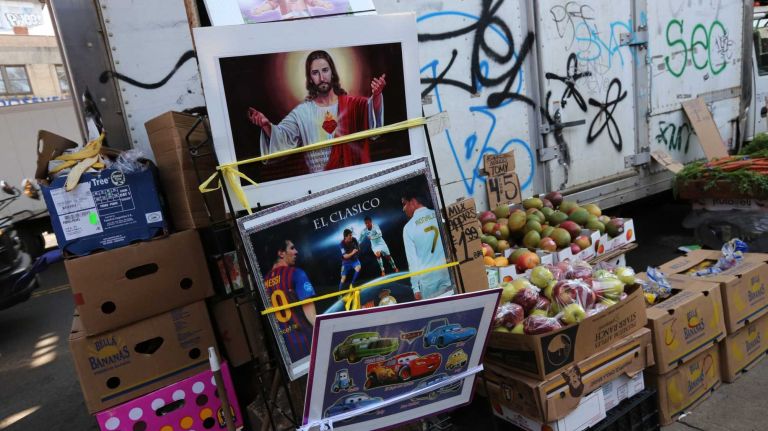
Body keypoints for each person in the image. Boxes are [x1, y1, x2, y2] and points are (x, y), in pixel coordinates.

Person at [248, 50, 386, 174]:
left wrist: (377, 95)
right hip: (320, 180)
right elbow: (282, 137)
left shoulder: (353, 105)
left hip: (352, 177)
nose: (321, 77)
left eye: (325, 70)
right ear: (310, 79)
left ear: (332, 73)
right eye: (315, 73)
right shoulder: (302, 113)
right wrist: (266, 125)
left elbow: (372, 120)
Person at [263, 239, 317, 362]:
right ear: (281, 253)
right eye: (292, 248)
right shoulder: (296, 274)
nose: (296, 251)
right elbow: (312, 317)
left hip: (286, 350)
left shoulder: (263, 283)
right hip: (307, 343)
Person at [401, 193, 453, 300]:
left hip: (428, 282)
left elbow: (413, 261)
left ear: (413, 202)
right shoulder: (438, 216)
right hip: (447, 274)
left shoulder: (408, 228)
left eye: (404, 204)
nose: (403, 208)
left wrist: (416, 288)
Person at [251, 0, 333, 19]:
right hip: (289, 18)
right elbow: (271, 4)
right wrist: (260, 9)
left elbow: (313, 1)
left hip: (304, 16)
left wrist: (323, 4)